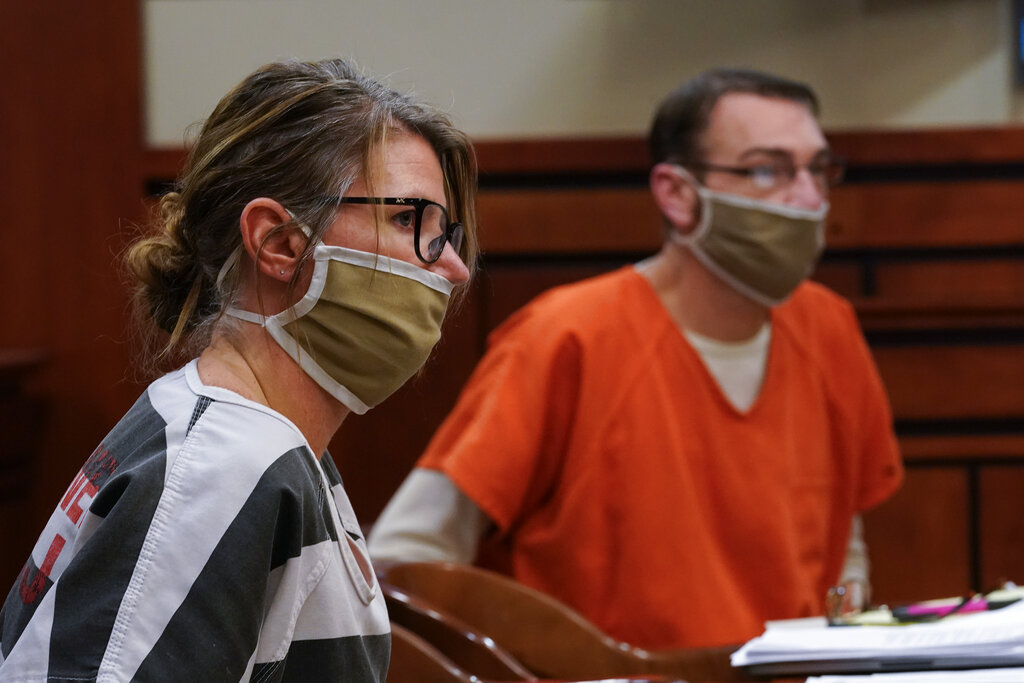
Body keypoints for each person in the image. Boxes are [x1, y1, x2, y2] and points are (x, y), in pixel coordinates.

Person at [368, 68, 903, 650]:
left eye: (818, 170)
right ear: (677, 193)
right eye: (767, 170)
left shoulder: (830, 328)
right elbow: (404, 560)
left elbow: (843, 538)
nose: (807, 198)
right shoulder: (565, 336)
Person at [0, 57, 478, 681]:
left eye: (445, 233)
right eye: (410, 220)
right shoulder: (223, 467)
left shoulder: (253, 439)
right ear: (280, 245)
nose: (455, 269)